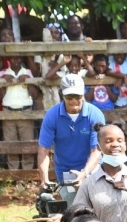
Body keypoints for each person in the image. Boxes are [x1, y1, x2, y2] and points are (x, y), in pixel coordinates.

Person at [37, 74, 105, 204]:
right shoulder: (52, 116)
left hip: (92, 168)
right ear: (62, 95)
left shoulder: (95, 114)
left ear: (83, 94)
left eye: (77, 96)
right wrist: (44, 181)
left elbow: (96, 151)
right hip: (64, 170)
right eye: (69, 96)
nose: (74, 100)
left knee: (96, 206)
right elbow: (44, 150)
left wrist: (84, 173)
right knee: (71, 210)